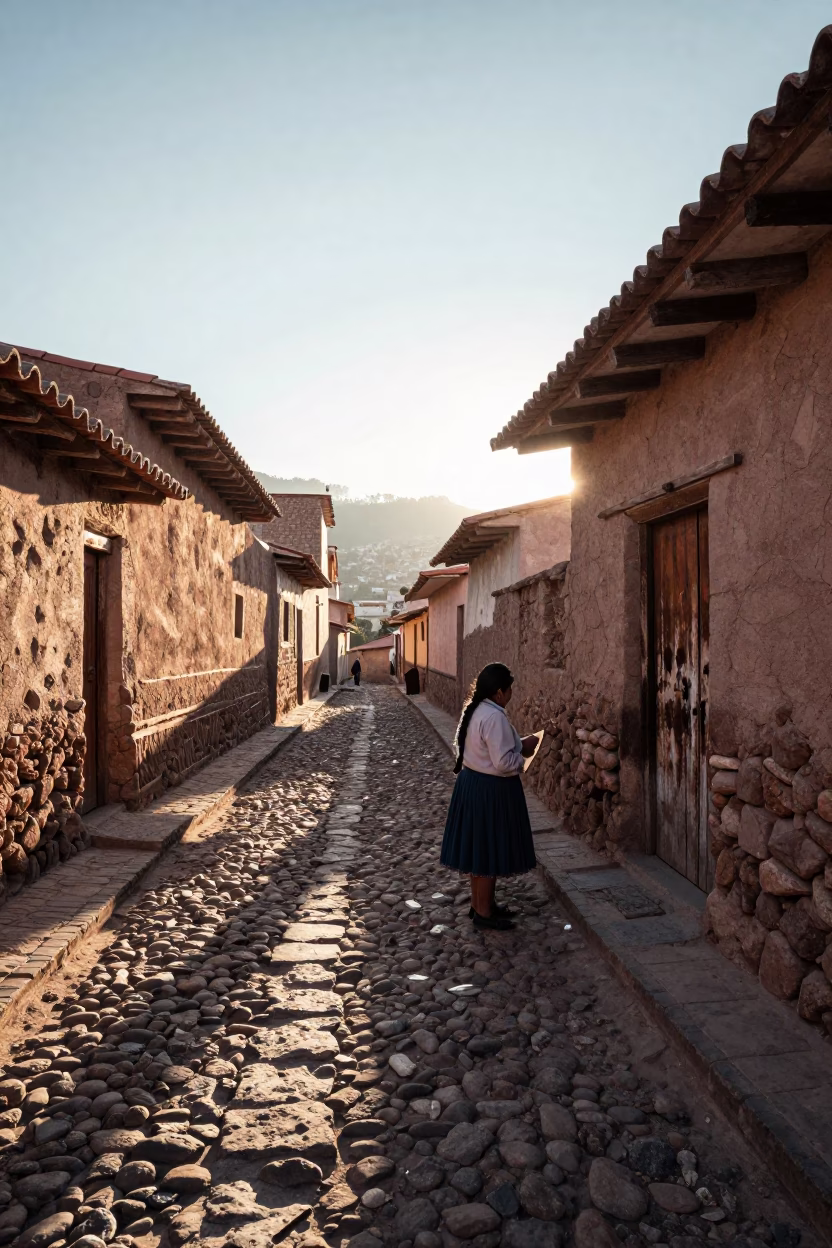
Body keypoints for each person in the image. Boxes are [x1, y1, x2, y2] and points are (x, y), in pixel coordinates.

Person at [440, 662, 538, 930]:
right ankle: (483, 911)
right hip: (489, 791)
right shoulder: (494, 717)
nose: (510, 695)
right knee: (485, 851)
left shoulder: (477, 710)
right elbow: (503, 762)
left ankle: (481, 905)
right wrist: (524, 755)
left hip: (474, 785)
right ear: (498, 692)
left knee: (481, 851)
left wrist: (518, 743)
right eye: (509, 690)